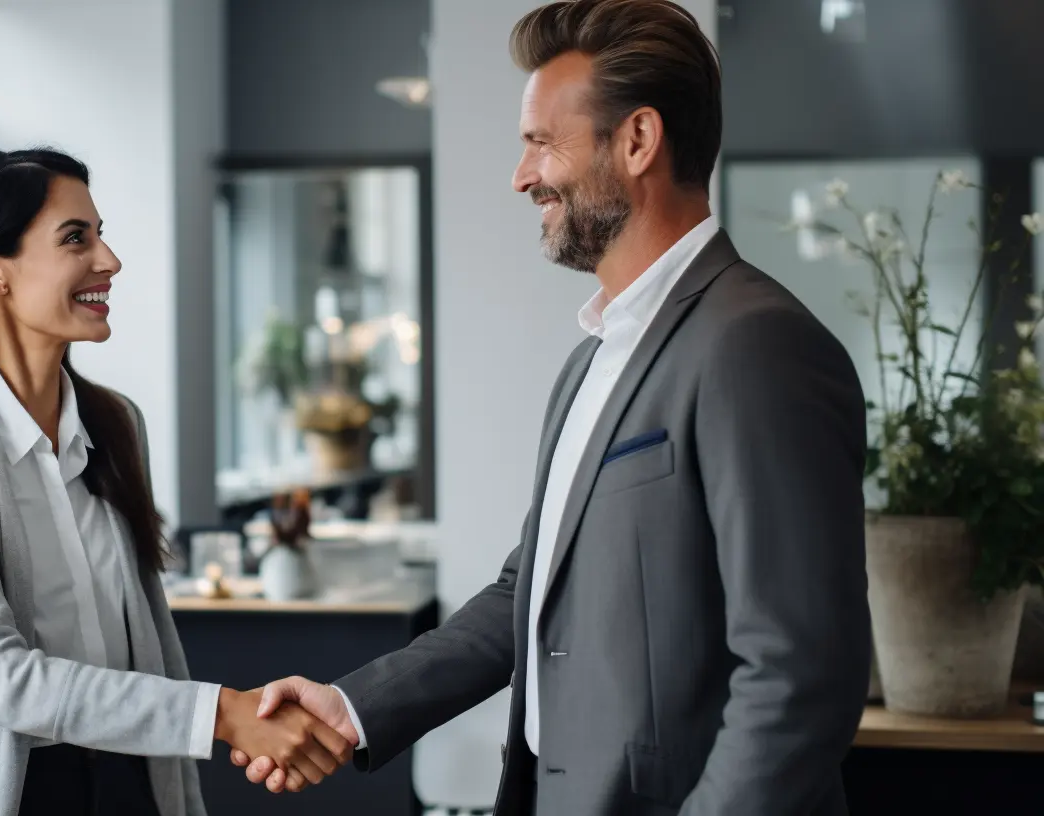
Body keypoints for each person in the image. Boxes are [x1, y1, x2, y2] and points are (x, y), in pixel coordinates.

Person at [234, 1, 871, 813]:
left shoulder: (757, 345)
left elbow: (798, 675)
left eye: (540, 141)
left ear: (637, 141)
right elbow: (526, 591)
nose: (522, 174)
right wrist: (355, 707)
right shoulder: (590, 361)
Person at [0, 148, 352, 816]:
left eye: (101, 234)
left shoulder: (118, 423)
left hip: (131, 783)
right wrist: (222, 715)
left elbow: (147, 640)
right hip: (5, 794)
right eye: (75, 239)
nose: (109, 261)